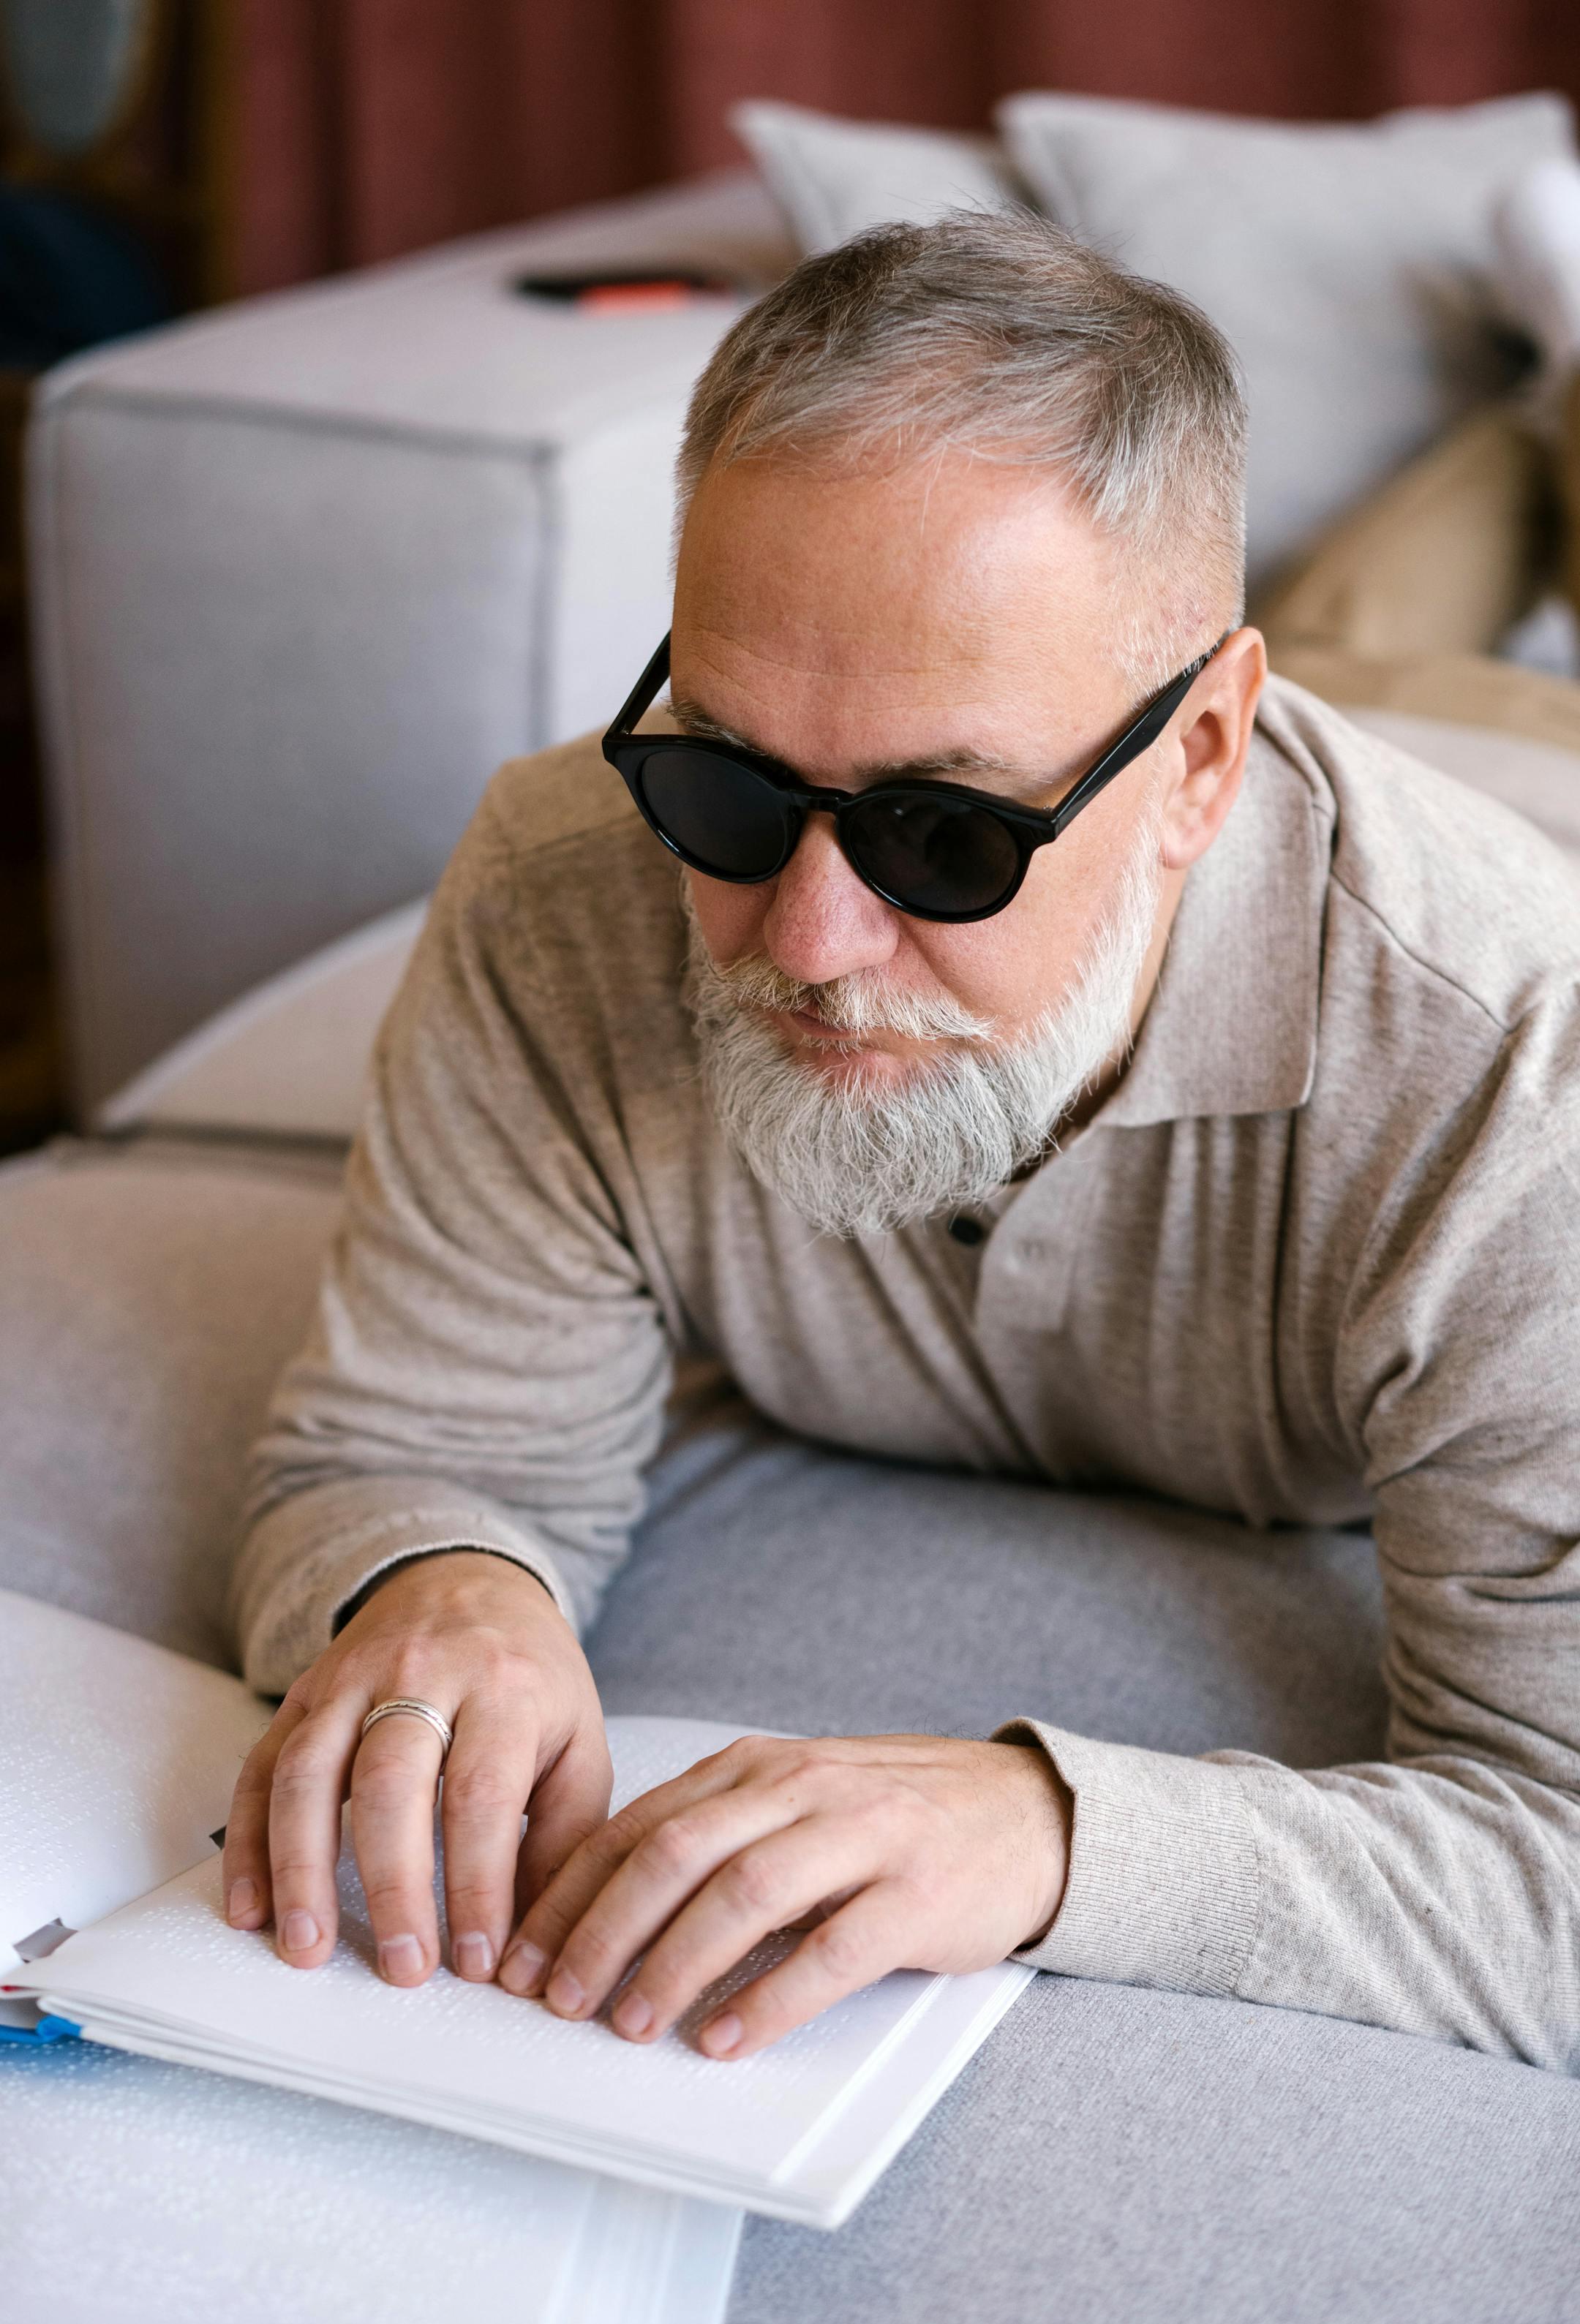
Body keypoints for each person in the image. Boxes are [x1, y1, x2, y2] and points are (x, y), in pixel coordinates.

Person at [222, 213, 1580, 2076]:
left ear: (1197, 765)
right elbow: (403, 1447)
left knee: (1500, 560)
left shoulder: (1515, 1066)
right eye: (725, 784)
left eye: (944, 837)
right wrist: (445, 1582)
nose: (805, 944)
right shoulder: (561, 885)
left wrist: (1046, 1836)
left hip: (1517, 771)